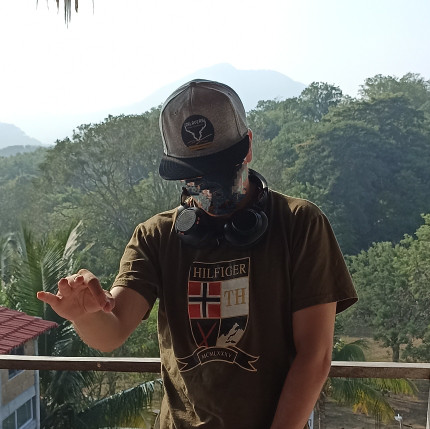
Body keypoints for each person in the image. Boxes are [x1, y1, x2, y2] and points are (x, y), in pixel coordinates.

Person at [37, 79, 358, 429]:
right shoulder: (155, 236)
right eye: (192, 175)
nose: (207, 187)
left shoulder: (300, 223)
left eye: (219, 169)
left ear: (248, 147)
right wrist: (85, 314)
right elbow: (111, 333)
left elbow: (315, 355)